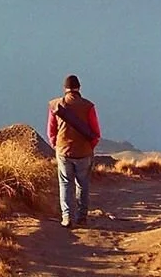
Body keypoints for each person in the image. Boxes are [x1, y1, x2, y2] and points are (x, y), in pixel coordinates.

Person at [47, 74, 101, 228]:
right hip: (84, 152)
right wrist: (90, 147)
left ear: (65, 89)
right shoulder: (88, 106)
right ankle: (82, 217)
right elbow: (96, 132)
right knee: (82, 185)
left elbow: (51, 131)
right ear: (79, 88)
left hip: (63, 151)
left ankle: (66, 217)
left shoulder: (55, 106)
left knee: (65, 184)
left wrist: (56, 145)